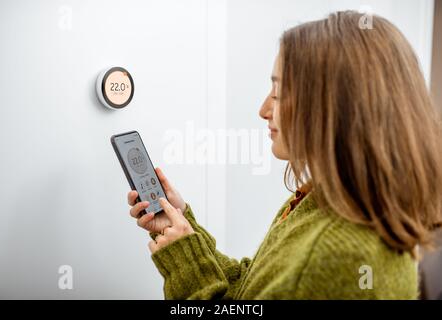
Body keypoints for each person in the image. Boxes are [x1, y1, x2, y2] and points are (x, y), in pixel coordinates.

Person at [126, 11, 442, 299]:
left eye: (278, 94)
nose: (263, 110)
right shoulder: (320, 202)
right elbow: (248, 289)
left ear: (335, 110)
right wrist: (184, 231)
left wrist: (184, 260)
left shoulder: (339, 259)